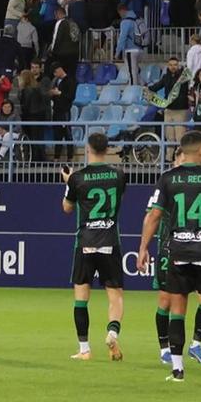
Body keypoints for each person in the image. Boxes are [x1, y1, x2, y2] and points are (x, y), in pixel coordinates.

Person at [137, 130, 201, 383]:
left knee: (178, 310)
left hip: (177, 252)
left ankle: (177, 370)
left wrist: (143, 247)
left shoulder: (167, 179)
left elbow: (154, 215)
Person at [62, 131, 127, 362]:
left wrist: (67, 183)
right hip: (110, 241)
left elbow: (67, 208)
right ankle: (112, 331)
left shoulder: (77, 178)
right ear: (107, 149)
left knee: (81, 297)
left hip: (86, 242)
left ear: (88, 149)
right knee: (115, 295)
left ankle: (84, 349)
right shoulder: (119, 175)